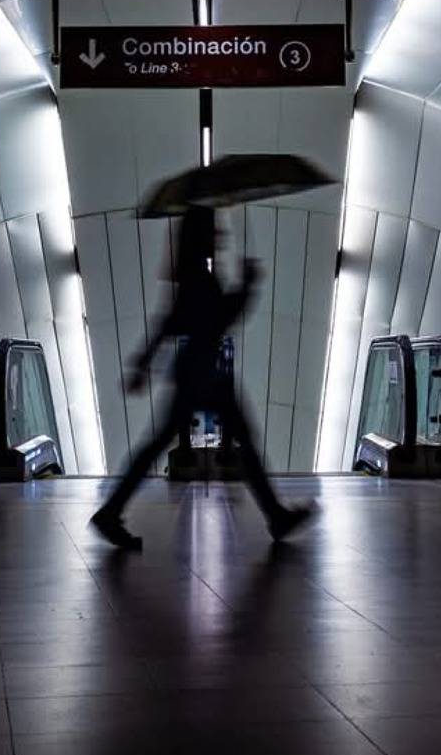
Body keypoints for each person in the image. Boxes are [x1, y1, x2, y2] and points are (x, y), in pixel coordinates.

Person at [90, 207, 316, 549]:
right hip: (204, 374)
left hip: (198, 372)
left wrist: (144, 361)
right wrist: (247, 287)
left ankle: (112, 511)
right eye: (215, 231)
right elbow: (216, 321)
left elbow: (171, 322)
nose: (221, 237)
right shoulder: (199, 278)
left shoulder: (192, 274)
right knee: (237, 441)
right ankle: (275, 516)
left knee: (169, 442)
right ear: (201, 236)